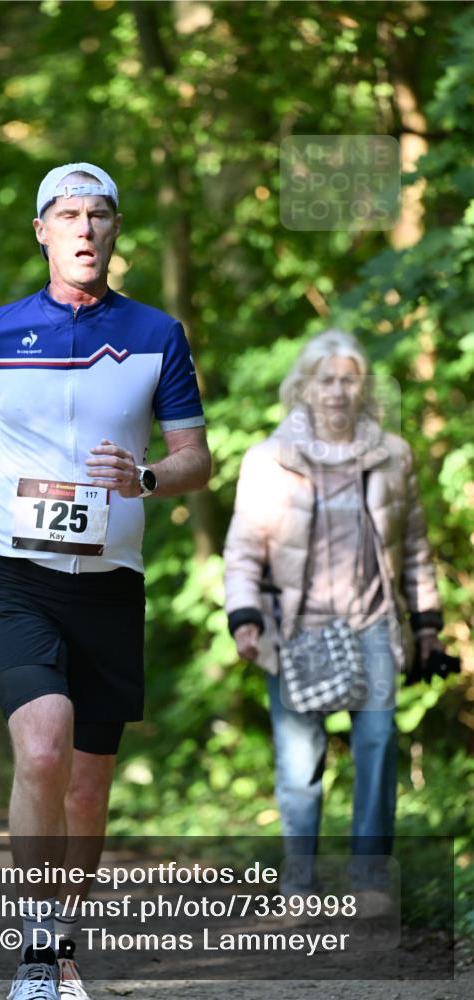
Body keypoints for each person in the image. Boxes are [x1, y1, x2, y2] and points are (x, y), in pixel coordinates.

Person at [0, 162, 210, 999]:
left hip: (110, 582)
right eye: (68, 215)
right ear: (42, 231)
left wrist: (146, 478)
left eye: (100, 215)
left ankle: (64, 946)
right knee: (42, 743)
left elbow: (197, 459)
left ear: (116, 231)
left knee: (86, 790)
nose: (84, 229)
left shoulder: (158, 333)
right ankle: (36, 956)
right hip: (13, 575)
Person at [223, 329, 444, 912]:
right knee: (300, 764)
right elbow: (243, 550)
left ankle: (369, 881)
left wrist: (426, 625)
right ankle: (299, 884)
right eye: (327, 379)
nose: (339, 392)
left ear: (363, 388)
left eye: (350, 379)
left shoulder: (392, 455)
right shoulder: (268, 460)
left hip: (372, 624)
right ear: (305, 386)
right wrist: (244, 617)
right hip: (296, 626)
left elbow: (416, 546)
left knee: (377, 740)